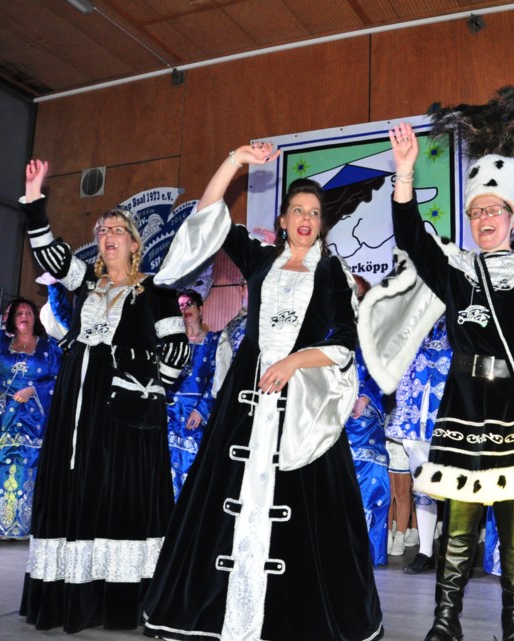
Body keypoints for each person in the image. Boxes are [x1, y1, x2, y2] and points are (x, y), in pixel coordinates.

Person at [360, 121, 514, 641]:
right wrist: (405, 173)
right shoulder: (458, 270)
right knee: (459, 528)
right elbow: (412, 238)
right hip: (464, 409)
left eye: (494, 210)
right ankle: (446, 623)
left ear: (512, 217)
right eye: (476, 212)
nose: (485, 218)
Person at [144, 142, 383, 641]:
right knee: (220, 499)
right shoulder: (258, 259)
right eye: (297, 210)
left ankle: (293, 616)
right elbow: (209, 215)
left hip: (304, 403)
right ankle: (215, 612)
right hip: (245, 396)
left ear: (322, 224)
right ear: (282, 220)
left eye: (314, 213)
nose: (305, 219)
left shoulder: (332, 271)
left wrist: (293, 361)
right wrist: (233, 161)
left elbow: (344, 341)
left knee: (311, 517)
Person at [18, 159, 190, 632]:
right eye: (102, 230)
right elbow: (53, 258)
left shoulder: (155, 290)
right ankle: (69, 596)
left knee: (118, 493)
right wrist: (34, 201)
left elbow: (177, 350)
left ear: (135, 243)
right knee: (75, 489)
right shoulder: (86, 283)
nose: (108, 235)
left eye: (118, 230)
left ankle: (120, 600)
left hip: (122, 411)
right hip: (75, 403)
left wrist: (145, 392)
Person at [0, 280, 62, 539]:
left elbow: (60, 380)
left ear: (35, 318)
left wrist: (33, 390)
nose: (24, 316)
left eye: (29, 312)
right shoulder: (1, 341)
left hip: (35, 417)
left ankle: (25, 525)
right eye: (19, 312)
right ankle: (1, 524)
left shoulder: (49, 348)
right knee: (2, 462)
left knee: (29, 464)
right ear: (12, 318)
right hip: (5, 417)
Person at [384, 315, 451, 573]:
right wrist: (404, 420)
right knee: (422, 484)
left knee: (455, 484)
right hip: (416, 420)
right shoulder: (414, 321)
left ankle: (453, 550)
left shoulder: (456, 319)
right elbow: (403, 371)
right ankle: (425, 551)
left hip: (449, 419)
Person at [346, 275, 392, 567]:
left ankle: (367, 550)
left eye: (358, 296)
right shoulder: (331, 326)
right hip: (333, 414)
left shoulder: (377, 329)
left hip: (365, 416)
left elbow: (385, 369)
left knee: (371, 480)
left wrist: (364, 398)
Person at [167, 288, 220, 499]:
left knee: (193, 464)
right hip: (170, 411)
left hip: (196, 413)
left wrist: (201, 410)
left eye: (189, 304)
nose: (185, 308)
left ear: (201, 309)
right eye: (180, 305)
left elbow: (217, 378)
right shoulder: (171, 342)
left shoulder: (214, 341)